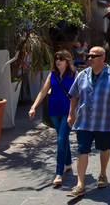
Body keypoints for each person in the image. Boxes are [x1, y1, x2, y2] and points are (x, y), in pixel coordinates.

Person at [66, 47, 110, 198]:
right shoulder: (82, 75)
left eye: (94, 56)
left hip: (105, 121)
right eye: (89, 56)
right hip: (84, 122)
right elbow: (74, 95)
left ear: (103, 58)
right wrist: (70, 114)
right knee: (82, 150)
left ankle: (102, 173)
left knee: (104, 148)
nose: (90, 58)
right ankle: (80, 184)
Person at [28, 50, 76, 185]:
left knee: (61, 138)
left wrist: (75, 112)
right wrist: (33, 107)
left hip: (68, 111)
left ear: (67, 61)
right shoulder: (52, 75)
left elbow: (79, 94)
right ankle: (68, 163)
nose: (58, 61)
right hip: (54, 110)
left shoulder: (74, 75)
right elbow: (43, 91)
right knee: (63, 137)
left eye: (61, 59)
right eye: (56, 59)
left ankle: (59, 173)